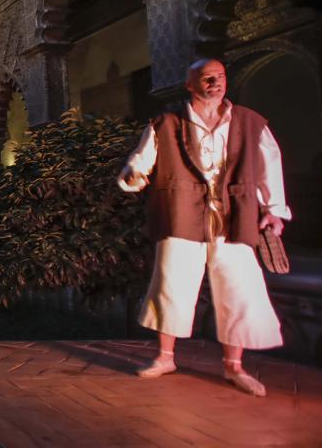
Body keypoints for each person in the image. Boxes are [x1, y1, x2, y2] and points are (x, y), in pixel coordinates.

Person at [118, 58, 289, 397]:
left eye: (220, 76)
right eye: (206, 78)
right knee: (171, 286)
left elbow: (270, 163)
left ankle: (234, 366)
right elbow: (141, 162)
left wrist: (274, 210)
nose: (215, 82)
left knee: (239, 290)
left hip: (234, 215)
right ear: (190, 84)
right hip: (182, 213)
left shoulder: (250, 122)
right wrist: (135, 177)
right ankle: (166, 357)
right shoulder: (166, 124)